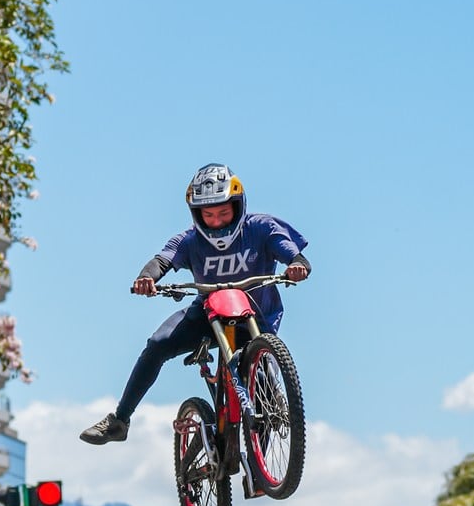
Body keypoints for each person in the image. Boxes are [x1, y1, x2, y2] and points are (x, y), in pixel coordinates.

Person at [79, 163, 311, 447]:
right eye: (208, 215)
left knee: (261, 387)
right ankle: (119, 420)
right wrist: (146, 278)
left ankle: (259, 461)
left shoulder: (262, 228)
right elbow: (163, 260)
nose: (217, 221)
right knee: (157, 344)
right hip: (206, 316)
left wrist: (297, 265)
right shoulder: (189, 240)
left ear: (238, 206)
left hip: (255, 319)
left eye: (224, 212)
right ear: (196, 213)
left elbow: (291, 253)